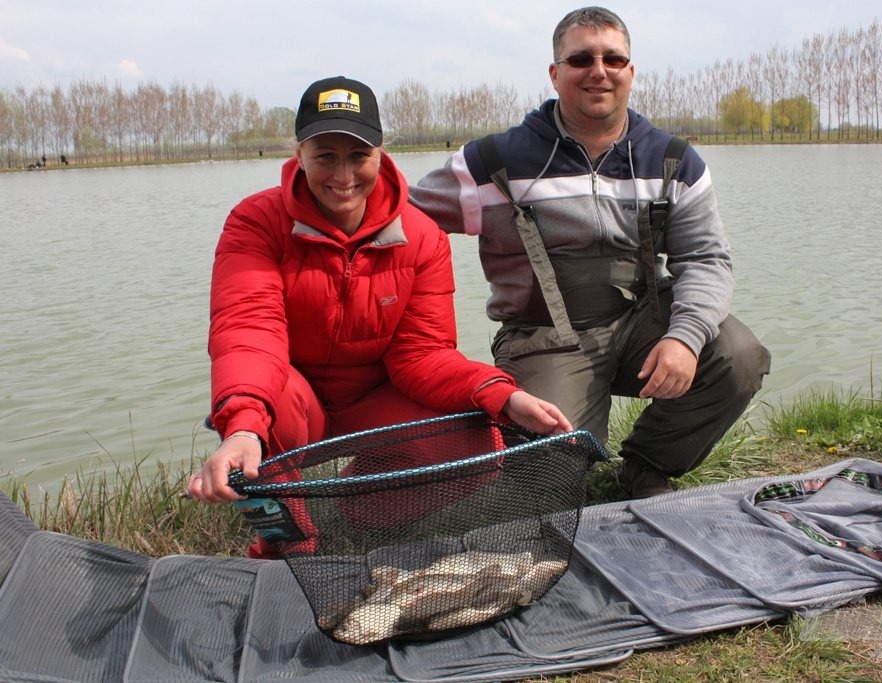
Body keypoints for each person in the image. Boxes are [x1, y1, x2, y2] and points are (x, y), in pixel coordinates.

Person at [188, 76, 573, 541]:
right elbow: (250, 330)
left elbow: (423, 354)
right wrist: (244, 426)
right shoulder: (257, 221)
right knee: (267, 412)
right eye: (325, 156)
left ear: (381, 153)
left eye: (358, 156)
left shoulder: (422, 235)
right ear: (299, 155)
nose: (344, 176)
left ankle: (352, 517)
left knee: (476, 447)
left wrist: (500, 394)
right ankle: (289, 541)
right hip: (295, 401)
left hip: (373, 400)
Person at [410, 7, 771, 499]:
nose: (598, 71)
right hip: (544, 339)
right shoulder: (492, 161)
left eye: (613, 59)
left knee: (737, 356)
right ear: (555, 73)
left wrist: (685, 339)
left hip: (643, 325)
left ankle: (646, 465)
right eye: (581, 59)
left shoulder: (673, 160)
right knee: (547, 485)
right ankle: (558, 462)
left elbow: (707, 260)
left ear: (630, 72)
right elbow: (398, 215)